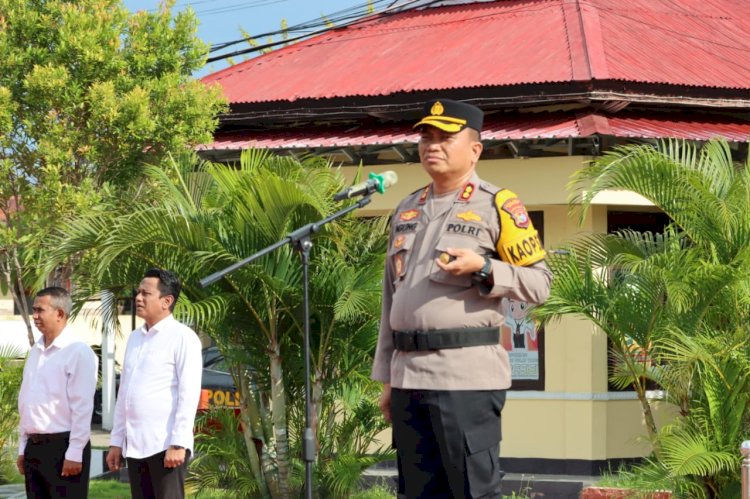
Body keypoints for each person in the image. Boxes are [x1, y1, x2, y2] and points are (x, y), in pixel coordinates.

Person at [372, 98, 553, 498]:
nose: (431, 145)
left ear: (475, 149)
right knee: (417, 492)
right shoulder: (406, 209)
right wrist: (386, 378)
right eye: (425, 137)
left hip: (465, 378)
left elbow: (540, 284)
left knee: (472, 491)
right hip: (408, 377)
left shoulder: (496, 205)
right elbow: (391, 299)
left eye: (444, 138)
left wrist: (485, 268)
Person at [106, 268, 202, 499]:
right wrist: (116, 441)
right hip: (136, 445)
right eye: (138, 292)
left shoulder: (183, 337)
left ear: (166, 301)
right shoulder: (135, 338)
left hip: (165, 445)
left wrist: (178, 443)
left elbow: (189, 394)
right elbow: (125, 395)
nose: (138, 298)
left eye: (145, 293)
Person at [17, 286, 98, 498]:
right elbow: (27, 402)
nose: (34, 316)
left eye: (40, 310)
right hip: (34, 447)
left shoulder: (78, 351)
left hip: (63, 447)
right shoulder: (36, 351)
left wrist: (75, 452)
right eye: (33, 310)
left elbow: (82, 407)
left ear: (60, 314)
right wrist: (22, 448)